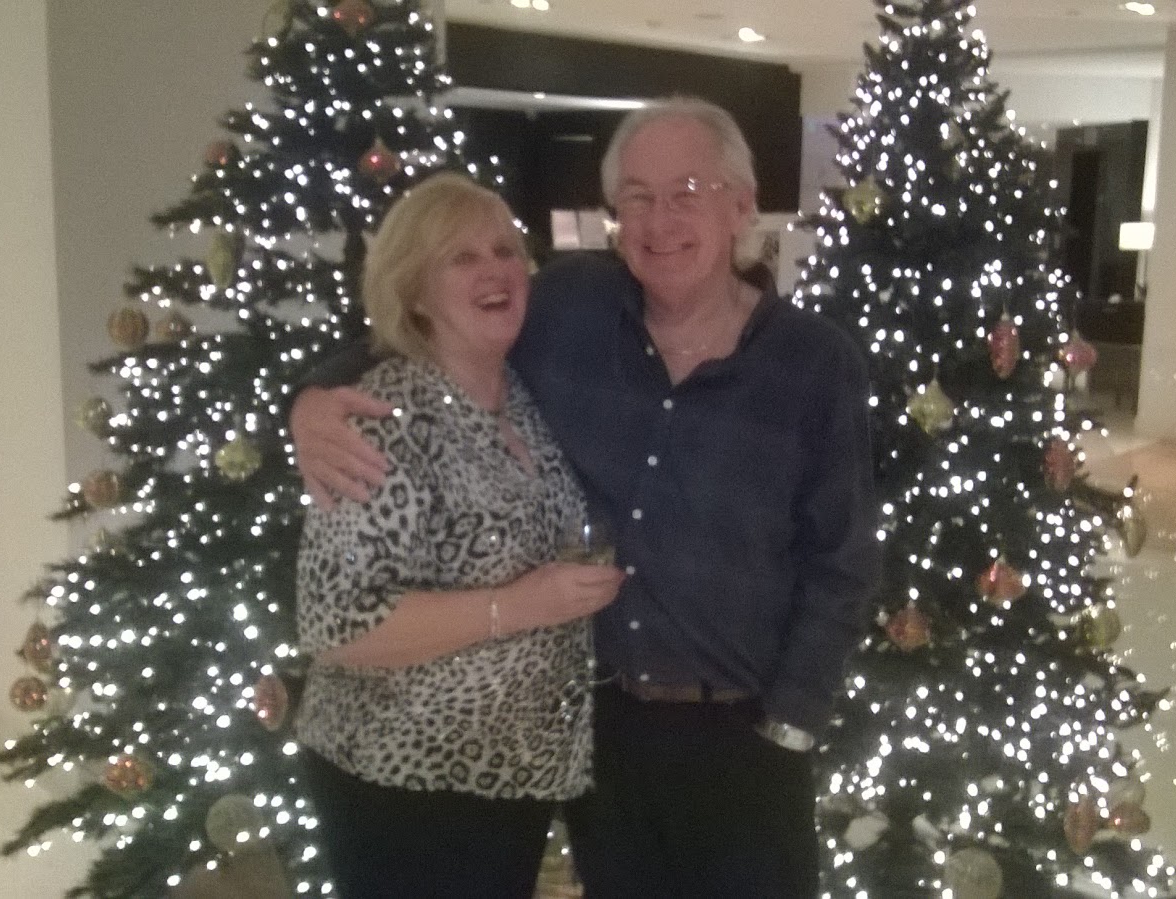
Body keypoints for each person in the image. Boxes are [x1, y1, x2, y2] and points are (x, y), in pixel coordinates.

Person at [294, 98, 879, 897]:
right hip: (603, 738)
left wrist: (791, 721)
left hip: (743, 736)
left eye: (686, 192)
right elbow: (429, 321)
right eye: (637, 196)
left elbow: (842, 559)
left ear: (741, 205)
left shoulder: (814, 362)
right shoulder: (569, 307)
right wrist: (310, 397)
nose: (659, 220)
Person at [293, 172, 626, 899]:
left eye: (505, 250)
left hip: (510, 779)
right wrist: (521, 605)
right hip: (404, 777)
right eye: (462, 257)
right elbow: (337, 621)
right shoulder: (384, 417)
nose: (495, 270)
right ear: (415, 292)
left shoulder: (523, 395)